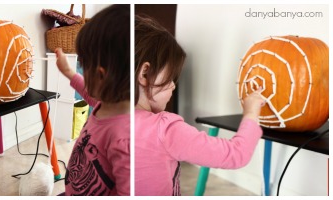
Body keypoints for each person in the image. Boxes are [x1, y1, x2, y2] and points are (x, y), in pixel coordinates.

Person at [134, 15, 266, 196]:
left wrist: (78, 80)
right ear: (145, 73)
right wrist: (251, 113)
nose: (173, 85)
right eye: (170, 77)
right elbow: (236, 154)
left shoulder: (107, 111)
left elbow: (87, 91)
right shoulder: (165, 130)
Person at [55, 4, 130, 195]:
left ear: (101, 75)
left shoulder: (124, 139)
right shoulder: (106, 103)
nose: (81, 68)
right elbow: (88, 92)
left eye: (82, 64)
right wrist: (69, 72)